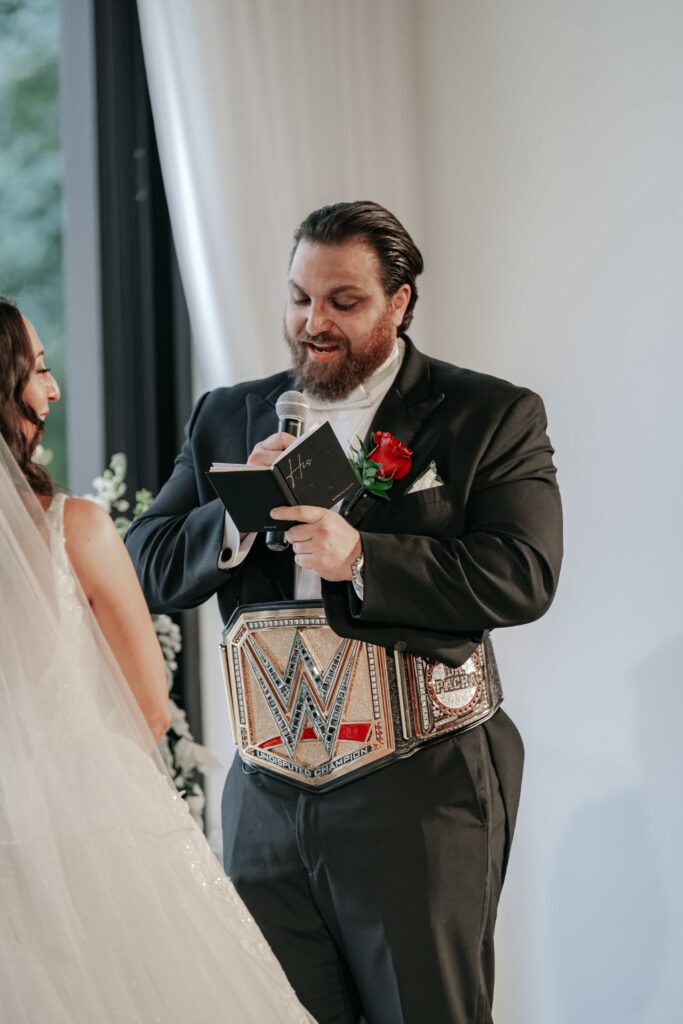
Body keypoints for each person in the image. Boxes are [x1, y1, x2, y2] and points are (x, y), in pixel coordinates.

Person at [126, 201, 563, 1024]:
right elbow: (144, 565)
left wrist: (364, 556)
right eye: (298, 299)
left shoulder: (487, 414)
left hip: (421, 787)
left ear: (399, 303)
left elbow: (523, 574)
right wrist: (231, 517)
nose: (311, 324)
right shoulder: (230, 412)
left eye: (342, 301)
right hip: (266, 793)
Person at [0, 297, 315, 1023]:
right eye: (38, 369)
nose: (52, 389)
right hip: (88, 835)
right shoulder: (73, 529)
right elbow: (146, 703)